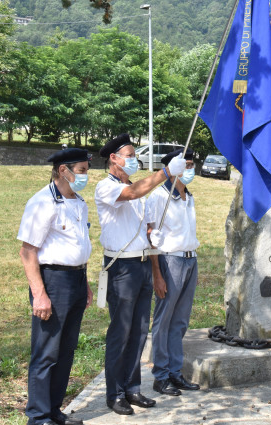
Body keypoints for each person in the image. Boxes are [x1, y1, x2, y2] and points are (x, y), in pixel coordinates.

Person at [94, 133, 188, 416]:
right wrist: (166, 173)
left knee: (138, 332)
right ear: (114, 158)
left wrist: (152, 237)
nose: (134, 160)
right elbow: (134, 193)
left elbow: (145, 225)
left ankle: (133, 387)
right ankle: (115, 393)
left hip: (143, 264)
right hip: (121, 267)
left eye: (135, 155)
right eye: (130, 155)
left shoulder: (134, 187)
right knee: (120, 332)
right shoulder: (105, 187)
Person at [18, 148, 92, 425]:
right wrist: (39, 294)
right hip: (53, 282)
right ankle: (37, 416)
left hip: (76, 279)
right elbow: (28, 251)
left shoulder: (78, 201)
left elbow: (78, 246)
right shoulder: (42, 202)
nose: (87, 176)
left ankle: (53, 410)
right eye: (82, 170)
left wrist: (84, 284)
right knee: (46, 351)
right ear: (64, 170)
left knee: (66, 350)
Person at [146, 148, 201, 396]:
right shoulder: (159, 197)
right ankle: (160, 375)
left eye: (191, 165)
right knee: (164, 320)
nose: (190, 170)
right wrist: (157, 274)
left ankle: (175, 373)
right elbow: (152, 238)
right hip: (170, 261)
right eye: (185, 165)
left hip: (190, 260)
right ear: (172, 168)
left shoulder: (188, 196)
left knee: (180, 322)